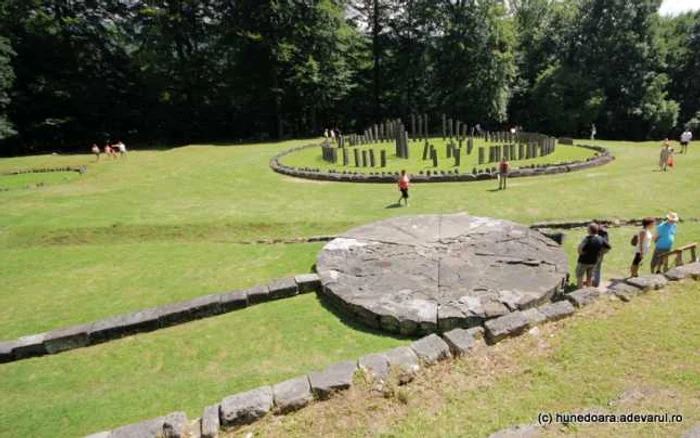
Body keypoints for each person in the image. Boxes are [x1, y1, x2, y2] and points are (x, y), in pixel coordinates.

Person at [576, 223, 611, 289]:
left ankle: (580, 291)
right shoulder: (601, 238)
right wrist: (600, 253)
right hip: (593, 262)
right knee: (589, 277)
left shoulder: (587, 239)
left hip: (583, 262)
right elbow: (608, 247)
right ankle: (589, 289)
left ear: (589, 230)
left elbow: (580, 248)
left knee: (580, 276)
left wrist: (581, 253)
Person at [592, 223, 610, 287]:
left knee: (594, 267)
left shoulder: (600, 233)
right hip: (601, 251)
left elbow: (607, 245)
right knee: (598, 267)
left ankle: (593, 283)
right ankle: (596, 283)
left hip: (598, 252)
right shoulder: (604, 232)